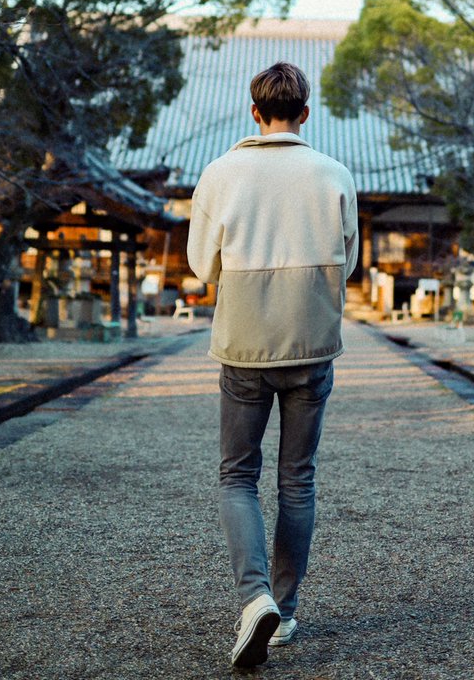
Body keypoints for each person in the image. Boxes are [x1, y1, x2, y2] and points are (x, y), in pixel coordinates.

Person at [187, 61, 358, 669]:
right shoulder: (334, 173)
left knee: (237, 475)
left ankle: (253, 595)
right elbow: (348, 262)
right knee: (297, 479)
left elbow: (202, 267)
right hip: (312, 342)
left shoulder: (220, 173)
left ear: (254, 112)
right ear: (305, 113)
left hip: (244, 345)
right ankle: (283, 611)